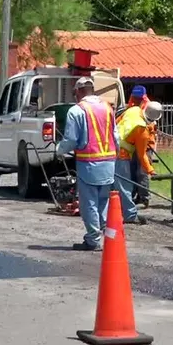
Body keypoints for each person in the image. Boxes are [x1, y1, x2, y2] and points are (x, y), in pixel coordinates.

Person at [56, 77, 118, 251]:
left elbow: (71, 140)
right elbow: (116, 136)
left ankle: (93, 240)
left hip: (89, 163)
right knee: (103, 201)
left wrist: (58, 150)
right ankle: (110, 237)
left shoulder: (77, 111)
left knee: (88, 203)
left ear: (79, 92)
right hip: (109, 163)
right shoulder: (107, 108)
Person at [115, 100, 162, 225]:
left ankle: (111, 212)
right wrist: (151, 171)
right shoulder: (142, 130)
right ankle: (130, 215)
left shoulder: (133, 110)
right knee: (125, 186)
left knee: (112, 185)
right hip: (122, 155)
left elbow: (116, 123)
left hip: (108, 149)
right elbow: (142, 155)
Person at [124, 85, 154, 207]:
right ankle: (134, 195)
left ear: (143, 97)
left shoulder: (150, 107)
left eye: (138, 98)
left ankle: (144, 197)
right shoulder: (131, 105)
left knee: (142, 172)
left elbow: (150, 126)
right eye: (134, 97)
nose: (136, 100)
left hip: (145, 143)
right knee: (132, 171)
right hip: (132, 143)